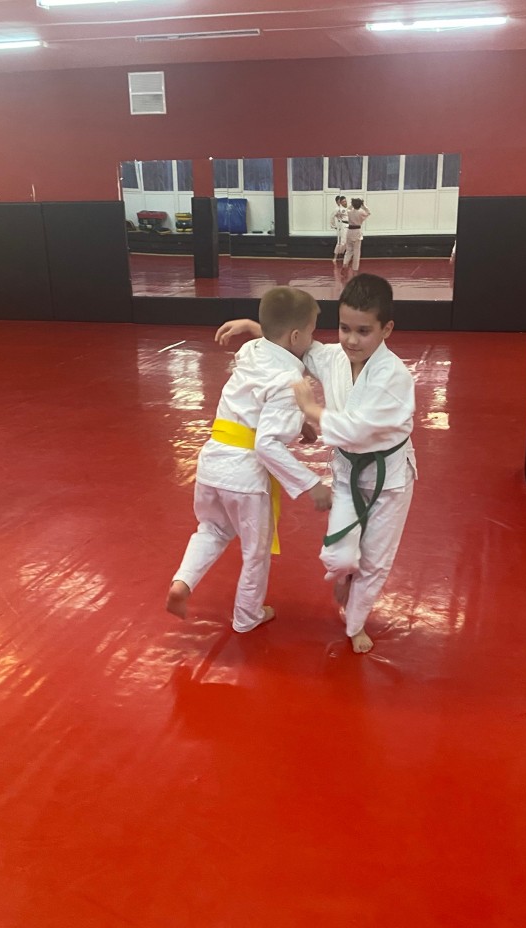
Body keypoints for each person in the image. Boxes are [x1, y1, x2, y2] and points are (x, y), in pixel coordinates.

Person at [216, 274, 416, 654]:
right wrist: (257, 328)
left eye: (363, 331)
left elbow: (357, 429)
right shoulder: (335, 358)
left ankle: (355, 623)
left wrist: (312, 410)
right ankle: (345, 574)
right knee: (339, 557)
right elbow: (297, 345)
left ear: (386, 329)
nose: (351, 340)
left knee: (375, 560)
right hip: (347, 470)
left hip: (389, 478)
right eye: (344, 328)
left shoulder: (394, 377)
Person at [166, 287, 332, 632]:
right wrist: (311, 483)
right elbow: (267, 445)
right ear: (296, 336)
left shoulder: (250, 350)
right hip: (246, 475)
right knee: (255, 553)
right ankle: (247, 616)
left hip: (213, 461)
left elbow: (259, 394)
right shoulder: (290, 380)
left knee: (211, 529)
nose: (313, 338)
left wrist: (296, 422)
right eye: (312, 331)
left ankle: (182, 582)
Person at [343, 197, 371, 272]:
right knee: (356, 252)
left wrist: (351, 205)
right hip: (357, 232)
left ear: (352, 204)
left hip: (349, 231)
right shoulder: (361, 212)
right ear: (360, 205)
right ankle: (355, 269)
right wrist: (363, 206)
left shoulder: (349, 212)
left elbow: (346, 210)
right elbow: (368, 212)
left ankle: (345, 263)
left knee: (348, 250)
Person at [330, 195, 349, 263]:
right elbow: (332, 217)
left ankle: (345, 256)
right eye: (339, 202)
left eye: (345, 201)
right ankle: (335, 257)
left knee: (347, 242)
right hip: (341, 226)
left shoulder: (347, 208)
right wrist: (333, 226)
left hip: (348, 226)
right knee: (340, 242)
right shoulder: (337, 209)